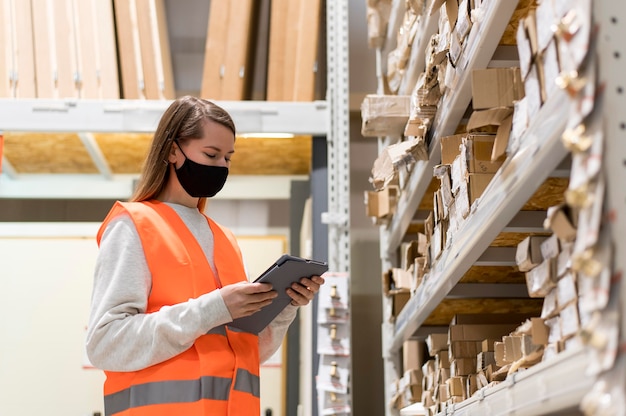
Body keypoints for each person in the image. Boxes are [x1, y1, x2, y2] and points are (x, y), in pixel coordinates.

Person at [85, 95, 325, 416]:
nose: (221, 167)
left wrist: (284, 307)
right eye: (211, 155)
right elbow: (105, 344)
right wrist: (213, 309)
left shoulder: (224, 239)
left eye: (228, 158)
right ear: (172, 150)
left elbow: (242, 352)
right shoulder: (134, 225)